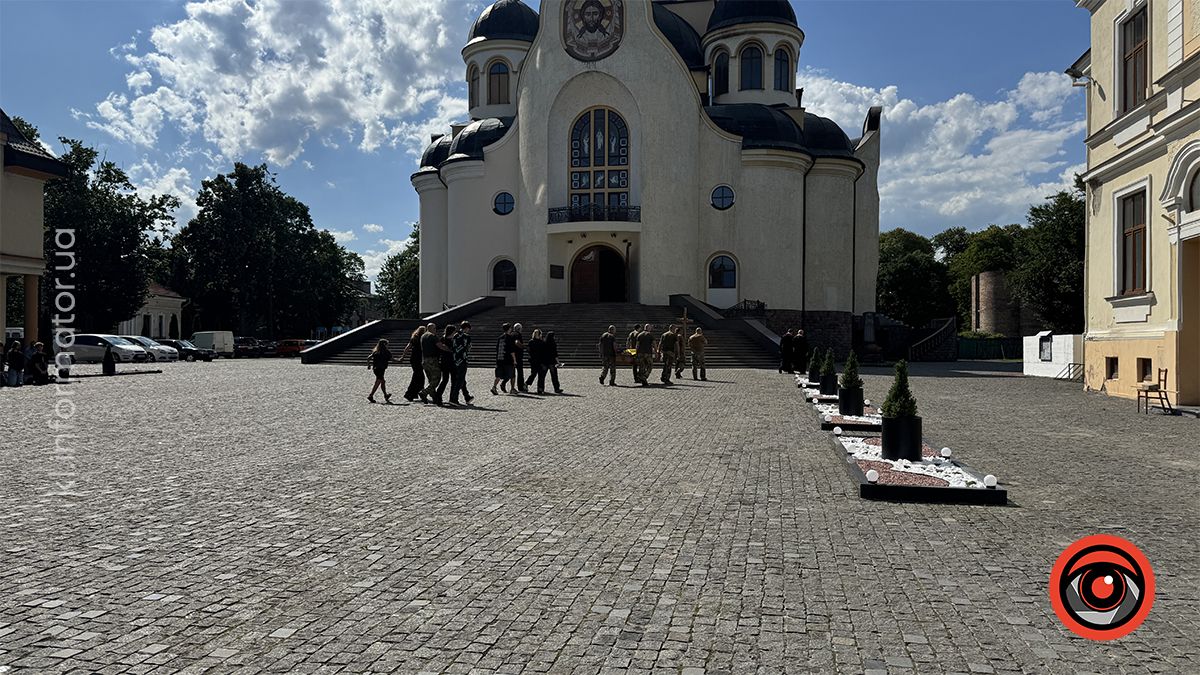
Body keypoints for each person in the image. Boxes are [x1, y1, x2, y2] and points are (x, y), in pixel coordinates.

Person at [420, 323, 450, 405]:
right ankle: (424, 392)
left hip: (424, 360)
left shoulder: (423, 336)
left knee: (431, 380)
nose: (435, 330)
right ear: (432, 328)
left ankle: (435, 398)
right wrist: (450, 350)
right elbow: (440, 346)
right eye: (435, 328)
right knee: (436, 379)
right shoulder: (432, 336)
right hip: (432, 360)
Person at [450, 321, 474, 405]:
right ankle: (453, 398)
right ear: (466, 328)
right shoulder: (466, 337)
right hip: (463, 360)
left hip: (455, 360)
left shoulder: (455, 335)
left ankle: (466, 396)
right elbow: (468, 348)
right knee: (460, 380)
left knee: (461, 379)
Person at [400, 326, 426, 402]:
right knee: (418, 377)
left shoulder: (414, 338)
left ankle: (417, 393)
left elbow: (407, 347)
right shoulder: (422, 338)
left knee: (418, 376)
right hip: (419, 359)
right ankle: (409, 394)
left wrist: (403, 356)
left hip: (414, 359)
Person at [366, 338, 394, 404]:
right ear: (384, 345)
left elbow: (368, 358)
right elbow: (392, 359)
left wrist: (369, 365)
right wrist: (399, 360)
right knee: (378, 382)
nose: (388, 346)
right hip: (381, 369)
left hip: (376, 369)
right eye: (387, 344)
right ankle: (371, 395)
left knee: (382, 381)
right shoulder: (386, 352)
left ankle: (385, 395)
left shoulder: (376, 351)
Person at [435, 324, 458, 402]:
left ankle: (438, 396)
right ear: (452, 331)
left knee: (445, 380)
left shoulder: (442, 339)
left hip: (444, 361)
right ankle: (453, 398)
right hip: (452, 362)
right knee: (454, 381)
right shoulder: (454, 340)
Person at [492, 323, 515, 395]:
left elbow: (497, 349)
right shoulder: (510, 338)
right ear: (509, 329)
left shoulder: (500, 338)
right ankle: (512, 389)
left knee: (498, 376)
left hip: (500, 359)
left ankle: (494, 387)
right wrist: (514, 360)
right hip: (508, 360)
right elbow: (511, 350)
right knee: (513, 375)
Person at [526, 329, 548, 394]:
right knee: (540, 375)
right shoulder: (542, 342)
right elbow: (544, 353)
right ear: (540, 335)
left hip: (533, 360)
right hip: (539, 361)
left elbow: (528, 350)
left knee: (533, 374)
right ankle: (540, 389)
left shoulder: (531, 342)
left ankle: (527, 383)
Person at [511, 323, 528, 392]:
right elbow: (517, 342)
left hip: (511, 355)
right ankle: (520, 387)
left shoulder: (511, 334)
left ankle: (503, 384)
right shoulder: (518, 334)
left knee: (512, 372)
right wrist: (523, 346)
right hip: (518, 356)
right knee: (520, 372)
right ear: (519, 329)